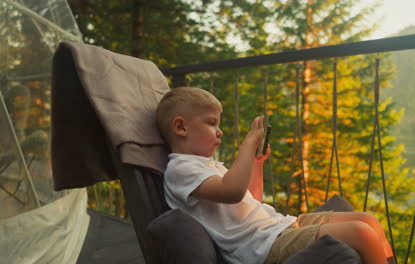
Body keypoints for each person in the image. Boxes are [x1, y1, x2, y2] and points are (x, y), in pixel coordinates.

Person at [156, 87, 395, 264]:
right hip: (262, 246)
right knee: (361, 234)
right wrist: (248, 145)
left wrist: (256, 162)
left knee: (368, 221)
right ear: (181, 127)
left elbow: (250, 199)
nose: (219, 132)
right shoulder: (181, 169)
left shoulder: (210, 166)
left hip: (278, 226)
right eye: (211, 123)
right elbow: (232, 192)